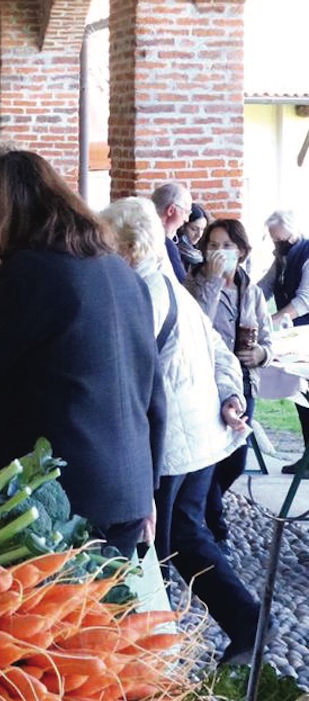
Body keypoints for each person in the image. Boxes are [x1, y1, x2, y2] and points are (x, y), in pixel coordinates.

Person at [0, 150, 165, 557]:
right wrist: (148, 490)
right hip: (128, 487)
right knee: (107, 599)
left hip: (66, 493)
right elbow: (153, 393)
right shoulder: (119, 270)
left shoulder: (29, 271)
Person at [102, 197, 260, 666]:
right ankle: (247, 623)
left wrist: (230, 395)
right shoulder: (168, 286)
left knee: (152, 548)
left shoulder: (143, 294)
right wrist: (229, 397)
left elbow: (129, 380)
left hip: (169, 445)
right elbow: (219, 351)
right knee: (185, 538)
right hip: (196, 440)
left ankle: (157, 653)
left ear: (128, 248)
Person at [184, 218, 273, 543]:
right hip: (207, 382)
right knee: (211, 457)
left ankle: (208, 509)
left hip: (244, 382)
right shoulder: (193, 284)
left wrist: (261, 354)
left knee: (236, 460)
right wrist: (212, 281)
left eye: (226, 246)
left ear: (242, 251)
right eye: (212, 246)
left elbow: (267, 337)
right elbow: (195, 326)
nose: (219, 252)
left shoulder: (252, 292)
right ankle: (214, 528)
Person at [257, 210, 309, 473]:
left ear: (294, 233)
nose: (278, 245)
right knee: (301, 398)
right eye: (274, 240)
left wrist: (270, 321)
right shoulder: (281, 258)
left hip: (305, 334)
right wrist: (243, 299)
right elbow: (264, 288)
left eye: (281, 240)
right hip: (294, 335)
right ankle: (307, 456)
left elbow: (303, 301)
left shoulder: (306, 255)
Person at [150, 182, 193, 282]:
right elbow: (183, 286)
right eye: (186, 212)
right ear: (171, 210)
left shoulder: (138, 234)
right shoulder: (165, 245)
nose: (186, 219)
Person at [176, 203, 208, 273]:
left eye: (202, 229)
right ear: (183, 227)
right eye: (194, 229)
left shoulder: (204, 249)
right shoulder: (174, 249)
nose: (199, 235)